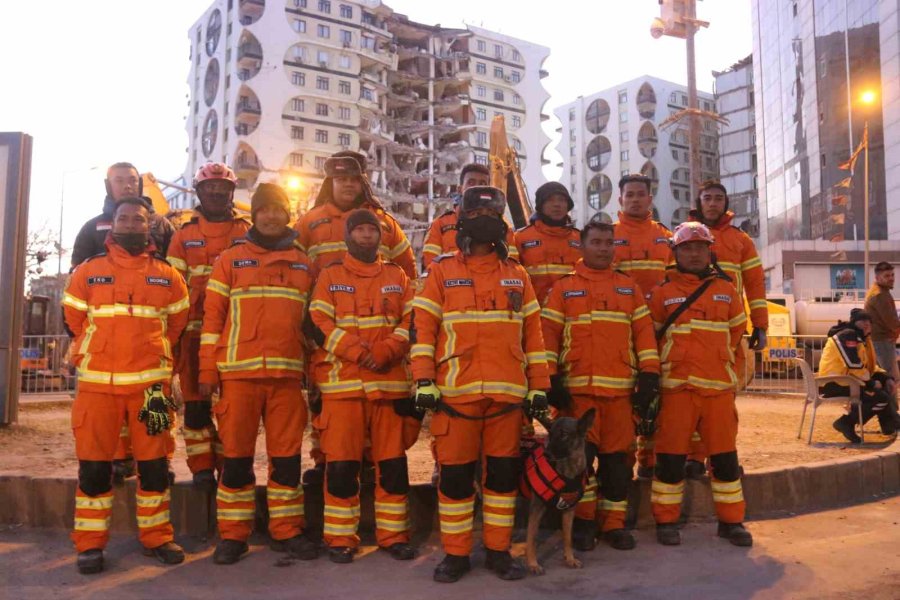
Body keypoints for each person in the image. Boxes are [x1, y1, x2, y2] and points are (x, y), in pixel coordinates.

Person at [411, 186, 550, 583]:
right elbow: (423, 330)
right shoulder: (441, 271)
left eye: (492, 214)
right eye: (477, 213)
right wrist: (423, 379)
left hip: (507, 396)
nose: (485, 220)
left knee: (503, 480)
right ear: (462, 220)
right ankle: (455, 554)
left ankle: (498, 551)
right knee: (455, 479)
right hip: (455, 395)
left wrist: (538, 387)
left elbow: (533, 337)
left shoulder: (517, 275)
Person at [62, 197, 189, 574]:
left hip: (152, 390)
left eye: (139, 219)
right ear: (112, 223)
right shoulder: (88, 271)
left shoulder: (168, 275)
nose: (131, 224)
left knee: (154, 468)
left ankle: (157, 537)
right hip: (97, 389)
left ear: (148, 226)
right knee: (94, 470)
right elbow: (73, 319)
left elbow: (177, 325)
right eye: (124, 218)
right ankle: (89, 545)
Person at [199, 183, 318, 564]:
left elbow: (314, 326)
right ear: (255, 214)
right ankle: (233, 535)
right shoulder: (230, 260)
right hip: (237, 377)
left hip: (286, 378)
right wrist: (207, 370)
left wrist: (314, 376)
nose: (270, 216)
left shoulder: (304, 263)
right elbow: (212, 319)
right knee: (235, 459)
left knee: (286, 460)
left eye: (277, 209)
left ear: (288, 215)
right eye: (263, 209)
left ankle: (287, 530)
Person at [541, 220, 660, 552]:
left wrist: (649, 374)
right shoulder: (563, 288)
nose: (604, 248)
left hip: (621, 396)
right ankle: (583, 524)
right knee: (580, 466)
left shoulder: (628, 287)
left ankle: (613, 525)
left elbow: (644, 335)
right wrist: (551, 378)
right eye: (596, 242)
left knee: (617, 466)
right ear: (582, 246)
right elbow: (547, 335)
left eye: (609, 242)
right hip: (578, 398)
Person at [307, 209, 418, 564]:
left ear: (382, 237)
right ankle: (340, 539)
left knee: (393, 468)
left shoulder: (398, 276)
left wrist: (387, 350)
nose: (368, 236)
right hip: (343, 388)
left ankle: (393, 536)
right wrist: (357, 352)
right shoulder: (330, 276)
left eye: (373, 230)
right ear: (349, 236)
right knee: (340, 470)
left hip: (389, 387)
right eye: (361, 230)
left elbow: (413, 320)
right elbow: (317, 321)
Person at [646, 222, 752, 547]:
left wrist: (727, 374)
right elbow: (650, 340)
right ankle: (666, 522)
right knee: (670, 459)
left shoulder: (728, 290)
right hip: (677, 390)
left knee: (725, 460)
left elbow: (737, 338)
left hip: (718, 392)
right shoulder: (662, 294)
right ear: (675, 253)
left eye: (700, 247)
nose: (694, 253)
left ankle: (731, 523)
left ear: (710, 251)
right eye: (687, 248)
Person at [71, 162, 177, 483]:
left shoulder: (161, 226)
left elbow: (177, 292)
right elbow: (76, 288)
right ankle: (119, 459)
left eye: (132, 180)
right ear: (108, 185)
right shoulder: (93, 228)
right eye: (120, 181)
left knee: (154, 413)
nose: (128, 186)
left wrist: (163, 341)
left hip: (148, 350)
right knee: (108, 413)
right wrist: (85, 339)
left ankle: (158, 461)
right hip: (105, 349)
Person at [166, 163, 250, 488]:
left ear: (231, 193)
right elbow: (172, 288)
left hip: (234, 333)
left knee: (231, 406)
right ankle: (202, 467)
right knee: (196, 405)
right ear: (199, 192)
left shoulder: (245, 231)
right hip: (192, 333)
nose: (216, 194)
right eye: (210, 189)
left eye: (222, 189)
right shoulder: (183, 235)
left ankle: (230, 463)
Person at [687, 180, 769, 477]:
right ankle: (694, 458)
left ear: (725, 203)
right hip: (691, 331)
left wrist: (760, 325)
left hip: (728, 331)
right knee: (692, 398)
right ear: (699, 201)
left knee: (724, 401)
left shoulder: (741, 240)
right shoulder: (683, 234)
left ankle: (720, 458)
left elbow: (755, 284)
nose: (712, 203)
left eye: (718, 198)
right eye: (707, 198)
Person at [611, 174, 672, 478]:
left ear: (650, 199)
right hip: (620, 330)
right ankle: (623, 462)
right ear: (619, 199)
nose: (634, 199)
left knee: (655, 396)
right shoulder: (607, 237)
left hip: (658, 330)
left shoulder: (666, 237)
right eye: (629, 194)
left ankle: (648, 463)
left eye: (640, 194)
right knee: (623, 396)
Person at [294, 151, 416, 279]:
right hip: (323, 298)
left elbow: (408, 271)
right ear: (331, 183)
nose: (348, 184)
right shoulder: (308, 222)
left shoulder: (385, 224)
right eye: (342, 179)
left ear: (363, 183)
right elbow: (292, 269)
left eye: (355, 179)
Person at [820, 308, 898, 442]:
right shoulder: (847, 335)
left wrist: (885, 378)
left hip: (849, 381)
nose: (867, 324)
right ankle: (846, 422)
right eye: (862, 321)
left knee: (884, 386)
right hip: (834, 383)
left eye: (869, 321)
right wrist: (871, 383)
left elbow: (869, 367)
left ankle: (890, 424)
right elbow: (853, 364)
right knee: (879, 397)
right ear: (854, 322)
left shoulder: (862, 339)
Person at [421, 163, 519, 271]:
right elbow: (431, 266)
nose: (477, 187)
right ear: (459, 189)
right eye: (471, 182)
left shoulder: (502, 226)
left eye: (482, 183)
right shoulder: (440, 225)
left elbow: (511, 266)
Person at [514, 181, 582, 303]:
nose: (557, 204)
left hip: (573, 312)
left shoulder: (580, 239)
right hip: (536, 313)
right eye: (550, 200)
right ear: (541, 205)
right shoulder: (520, 238)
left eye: (561, 200)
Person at [864, 262, 900, 387]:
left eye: (892, 275)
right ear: (878, 278)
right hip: (883, 341)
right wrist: (895, 333)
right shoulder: (880, 295)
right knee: (891, 379)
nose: (891, 278)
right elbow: (891, 322)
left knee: (884, 378)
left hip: (879, 341)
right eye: (887, 276)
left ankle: (886, 405)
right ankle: (891, 406)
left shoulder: (879, 291)